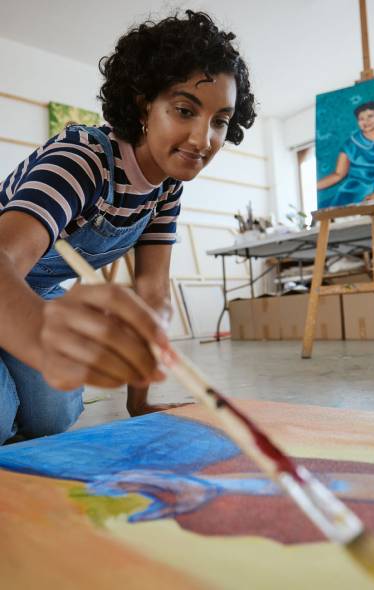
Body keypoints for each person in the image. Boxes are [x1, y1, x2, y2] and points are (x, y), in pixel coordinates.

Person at [0, 11, 256, 443]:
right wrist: (36, 336)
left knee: (52, 416)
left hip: (33, 293)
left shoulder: (166, 190)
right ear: (143, 104)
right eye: (184, 110)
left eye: (219, 121)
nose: (202, 139)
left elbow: (151, 294)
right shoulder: (82, 160)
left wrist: (139, 403)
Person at [317, 101, 374, 205]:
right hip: (358, 189)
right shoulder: (350, 144)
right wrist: (313, 187)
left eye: (371, 116)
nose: (366, 121)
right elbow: (338, 174)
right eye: (361, 119)